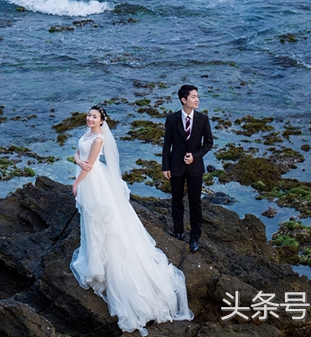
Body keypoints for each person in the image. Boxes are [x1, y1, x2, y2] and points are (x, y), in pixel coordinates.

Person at [71, 105, 192, 336]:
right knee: (91, 220)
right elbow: (79, 155)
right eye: (89, 115)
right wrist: (78, 162)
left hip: (93, 181)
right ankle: (94, 258)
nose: (90, 118)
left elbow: (91, 164)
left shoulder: (98, 138)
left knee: (100, 221)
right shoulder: (87, 133)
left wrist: (76, 183)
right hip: (89, 177)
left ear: (102, 120)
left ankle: (102, 265)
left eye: (94, 116)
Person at [161, 84, 213, 252]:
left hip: (195, 168)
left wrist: (195, 156)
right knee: (177, 200)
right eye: (193, 97)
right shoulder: (172, 119)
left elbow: (208, 143)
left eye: (197, 96)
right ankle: (178, 232)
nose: (197, 99)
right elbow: (167, 144)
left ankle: (195, 238)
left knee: (195, 202)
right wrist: (165, 166)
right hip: (176, 166)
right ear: (184, 100)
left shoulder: (203, 119)